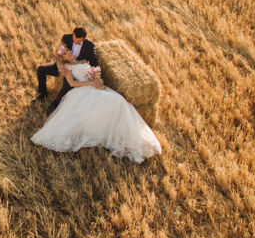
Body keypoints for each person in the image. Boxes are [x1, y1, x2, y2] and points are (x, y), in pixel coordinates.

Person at [31, 49, 161, 163]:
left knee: (120, 100)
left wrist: (98, 81)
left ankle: (127, 134)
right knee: (116, 102)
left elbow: (96, 74)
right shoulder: (67, 68)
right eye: (65, 53)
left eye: (68, 50)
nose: (68, 53)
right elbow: (72, 83)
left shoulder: (84, 60)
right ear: (63, 58)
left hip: (96, 88)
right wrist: (90, 83)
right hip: (83, 91)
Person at [33, 27, 98, 115]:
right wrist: (61, 66)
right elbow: (59, 55)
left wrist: (97, 77)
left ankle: (56, 103)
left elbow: (94, 63)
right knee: (41, 69)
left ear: (83, 38)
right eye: (75, 40)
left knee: (67, 84)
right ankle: (42, 93)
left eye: (79, 42)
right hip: (62, 65)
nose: (75, 43)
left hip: (75, 69)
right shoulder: (66, 38)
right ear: (73, 34)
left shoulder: (89, 46)